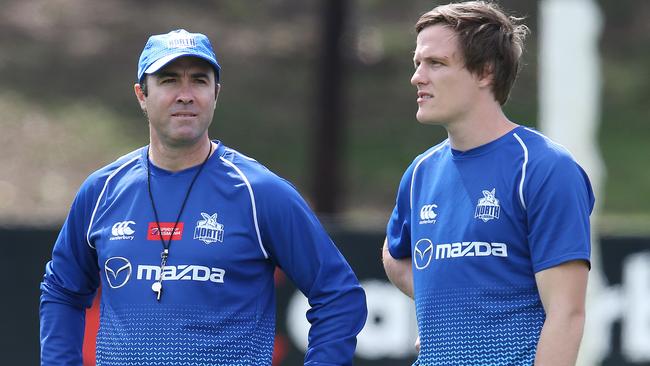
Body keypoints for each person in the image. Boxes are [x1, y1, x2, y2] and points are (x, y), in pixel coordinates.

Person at [40, 29, 367, 365]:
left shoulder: (261, 193)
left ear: (216, 93)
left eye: (198, 80)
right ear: (142, 94)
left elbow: (338, 297)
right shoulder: (102, 191)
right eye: (169, 80)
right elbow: (62, 290)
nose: (186, 95)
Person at [382, 2, 594, 365]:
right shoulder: (420, 172)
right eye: (417, 63)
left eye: (436, 63)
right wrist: (447, 309)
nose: (417, 77)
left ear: (485, 72)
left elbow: (567, 315)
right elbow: (394, 254)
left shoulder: (543, 168)